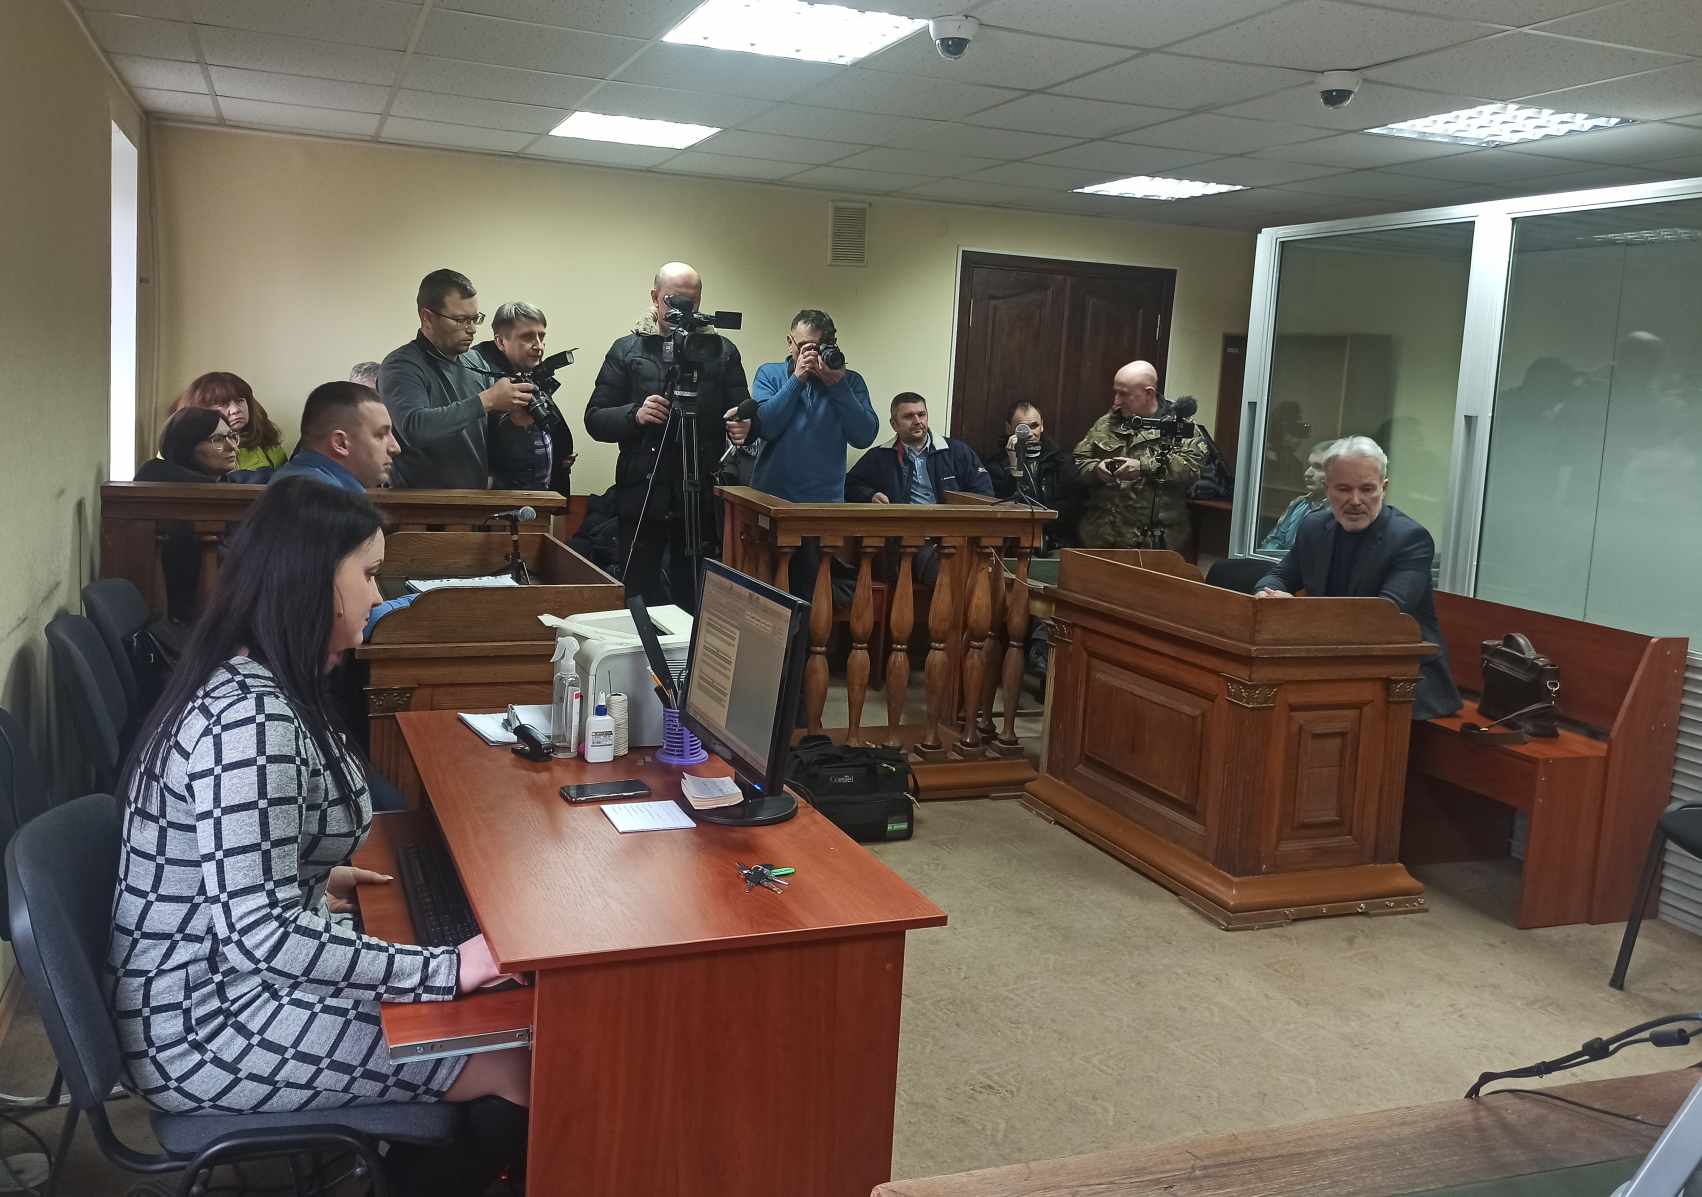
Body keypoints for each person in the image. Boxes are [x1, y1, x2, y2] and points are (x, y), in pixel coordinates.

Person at [107, 478, 529, 1195]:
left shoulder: (257, 677)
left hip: (214, 982)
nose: (378, 596)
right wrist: (444, 969)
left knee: (477, 1020)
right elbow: (261, 938)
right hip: (204, 1025)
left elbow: (227, 867)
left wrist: (310, 875)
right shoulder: (252, 724)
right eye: (368, 574)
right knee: (515, 1060)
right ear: (315, 582)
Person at [1254, 436, 1461, 721]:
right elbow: (1280, 575)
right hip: (1332, 665)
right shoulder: (1314, 526)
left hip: (1403, 680)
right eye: (1343, 489)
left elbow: (1383, 616)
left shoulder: (1409, 539)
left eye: (1367, 489)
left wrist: (1297, 611)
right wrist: (1267, 596)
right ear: (1327, 489)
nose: (1355, 501)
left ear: (1383, 489)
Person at [585, 262, 751, 609]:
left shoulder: (721, 352)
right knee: (637, 595)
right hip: (642, 496)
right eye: (675, 301)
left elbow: (741, 413)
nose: (685, 311)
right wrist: (635, 415)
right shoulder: (628, 349)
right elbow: (595, 419)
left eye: (693, 302)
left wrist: (746, 426)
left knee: (695, 598)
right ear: (655, 297)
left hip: (700, 498)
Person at [735, 309, 878, 597]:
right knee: (762, 593)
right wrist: (796, 380)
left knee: (808, 594)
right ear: (790, 342)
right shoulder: (770, 374)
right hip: (771, 502)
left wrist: (838, 386)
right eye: (804, 347)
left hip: (821, 509)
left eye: (818, 347)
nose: (811, 355)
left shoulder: (850, 381)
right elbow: (766, 427)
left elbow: (864, 436)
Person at [376, 269, 537, 490]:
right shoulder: (401, 365)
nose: (472, 329)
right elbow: (415, 428)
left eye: (475, 319)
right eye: (461, 320)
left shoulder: (475, 361)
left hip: (472, 501)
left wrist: (516, 421)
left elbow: (493, 439)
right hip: (420, 504)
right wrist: (486, 400)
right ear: (428, 318)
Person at [846, 393, 992, 586]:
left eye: (921, 415)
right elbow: (849, 485)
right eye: (908, 417)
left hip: (958, 538)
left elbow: (984, 493)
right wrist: (871, 495)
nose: (917, 421)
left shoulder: (957, 452)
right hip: (913, 543)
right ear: (894, 424)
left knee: (988, 575)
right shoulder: (879, 457)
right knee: (948, 574)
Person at [1072, 360, 1206, 551]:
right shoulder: (1107, 423)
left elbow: (1189, 469)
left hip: (1153, 540)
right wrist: (1095, 469)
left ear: (1148, 393)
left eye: (1124, 394)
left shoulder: (1180, 427)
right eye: (1116, 392)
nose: (1116, 401)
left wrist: (1143, 467)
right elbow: (1077, 462)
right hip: (1100, 534)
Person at [472, 301, 576, 494]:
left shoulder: (526, 373)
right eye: (527, 337)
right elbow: (483, 439)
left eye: (541, 336)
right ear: (500, 342)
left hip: (538, 498)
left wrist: (559, 451)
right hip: (500, 502)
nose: (538, 345)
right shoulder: (480, 377)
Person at [270, 381, 400, 493]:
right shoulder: (318, 498)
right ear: (340, 443)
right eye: (380, 435)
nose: (395, 448)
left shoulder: (293, 481)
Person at [982, 401, 1077, 550]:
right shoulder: (995, 467)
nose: (1030, 434)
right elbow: (1005, 510)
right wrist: (1014, 467)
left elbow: (1072, 509)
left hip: (1059, 543)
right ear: (1009, 428)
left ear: (1042, 426)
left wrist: (1033, 516)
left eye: (1034, 426)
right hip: (1015, 546)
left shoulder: (1062, 462)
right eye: (1022, 428)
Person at [170, 372, 289, 473]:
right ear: (201, 411)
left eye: (239, 400)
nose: (235, 410)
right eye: (222, 404)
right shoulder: (177, 450)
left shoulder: (268, 446)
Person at [1257, 439, 1335, 553]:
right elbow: (1274, 540)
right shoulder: (1298, 504)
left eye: (1318, 467)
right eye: (1309, 465)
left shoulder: (1340, 512)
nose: (1307, 473)